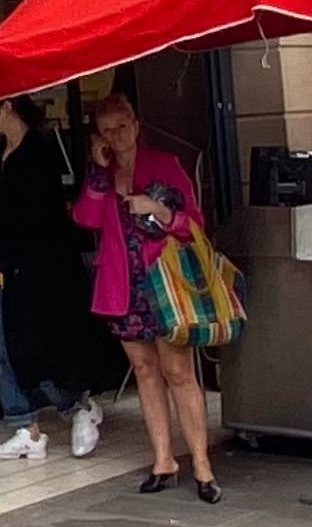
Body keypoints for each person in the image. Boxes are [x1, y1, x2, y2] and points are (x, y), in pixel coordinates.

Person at [72, 92, 217, 500]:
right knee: (145, 370)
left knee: (178, 372)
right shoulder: (103, 171)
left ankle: (202, 463)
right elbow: (84, 217)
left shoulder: (165, 164)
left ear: (137, 126)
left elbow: (195, 223)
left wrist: (160, 210)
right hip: (123, 285)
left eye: (121, 127)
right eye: (106, 131)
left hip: (164, 282)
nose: (116, 137)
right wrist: (98, 174)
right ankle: (163, 459)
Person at [0, 94, 101, 462]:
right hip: (1, 262)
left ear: (8, 108)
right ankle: (26, 426)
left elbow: (28, 218)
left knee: (31, 346)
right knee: (5, 349)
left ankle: (74, 405)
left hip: (35, 270)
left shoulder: (39, 152)